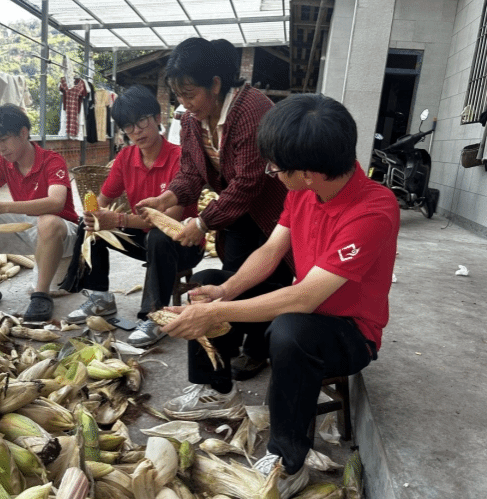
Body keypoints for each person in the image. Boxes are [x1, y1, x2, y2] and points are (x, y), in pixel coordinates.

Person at [155, 93, 400, 498]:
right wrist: (224, 292)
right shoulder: (303, 190)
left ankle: (289, 462)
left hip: (350, 332)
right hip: (303, 307)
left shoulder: (373, 210)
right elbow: (271, 251)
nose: (271, 173)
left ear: (307, 173)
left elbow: (304, 299)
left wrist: (218, 312)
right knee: (211, 279)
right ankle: (218, 391)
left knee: (290, 331)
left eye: (275, 168)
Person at [135, 37, 294, 380]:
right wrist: (166, 199)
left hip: (271, 214)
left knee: (272, 279)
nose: (184, 103)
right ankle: (229, 345)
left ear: (216, 84)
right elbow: (191, 172)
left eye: (190, 94)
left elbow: (248, 182)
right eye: (178, 95)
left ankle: (257, 350)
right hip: (234, 213)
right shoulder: (192, 119)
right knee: (235, 276)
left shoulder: (252, 109)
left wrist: (203, 223)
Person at [61, 85, 204, 346]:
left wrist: (118, 220)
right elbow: (102, 200)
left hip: (183, 243)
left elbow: (170, 220)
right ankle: (100, 297)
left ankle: (155, 316)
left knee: (158, 237)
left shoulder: (180, 158)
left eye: (141, 121)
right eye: (128, 126)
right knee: (89, 225)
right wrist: (95, 216)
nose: (136, 131)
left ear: (157, 118)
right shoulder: (126, 157)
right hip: (144, 239)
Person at [0, 104, 78, 321]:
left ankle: (41, 295)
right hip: (29, 229)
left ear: (23, 133)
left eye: (4, 139)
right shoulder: (3, 163)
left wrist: (3, 207)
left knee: (48, 221)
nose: (0, 148)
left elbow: (56, 203)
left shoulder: (52, 160)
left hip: (63, 234)